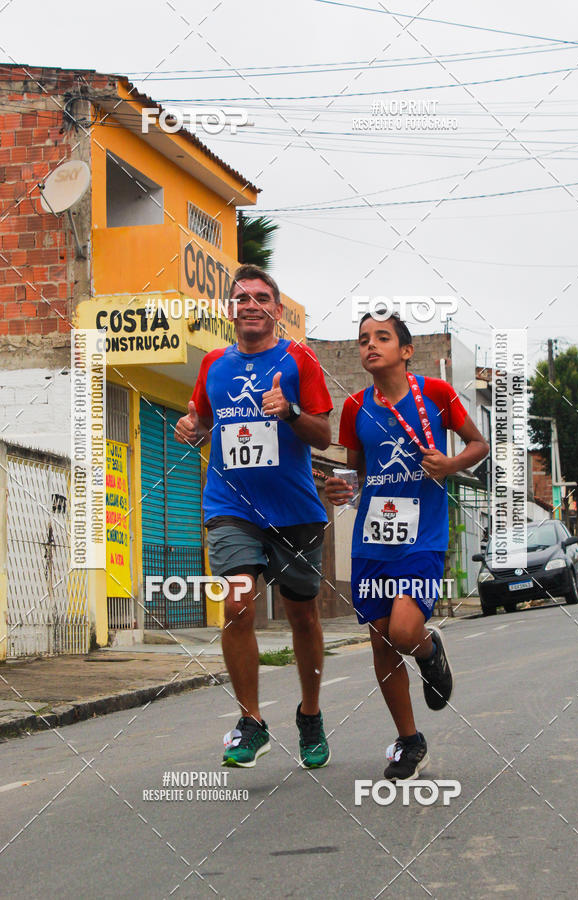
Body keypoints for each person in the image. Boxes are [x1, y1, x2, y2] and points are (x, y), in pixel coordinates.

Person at [175, 264, 333, 769]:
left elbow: (323, 436)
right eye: (241, 298)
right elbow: (201, 418)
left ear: (276, 310)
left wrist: (288, 412)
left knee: (302, 614)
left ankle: (310, 714)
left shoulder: (299, 360)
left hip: (294, 510)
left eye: (261, 297)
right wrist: (190, 426)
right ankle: (251, 721)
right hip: (230, 505)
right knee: (237, 607)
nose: (250, 305)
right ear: (231, 310)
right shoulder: (215, 366)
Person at [325, 313, 489, 781]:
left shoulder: (436, 395)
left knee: (402, 631)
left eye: (382, 338)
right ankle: (409, 741)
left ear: (405, 350)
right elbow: (353, 473)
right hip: (373, 538)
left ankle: (429, 648)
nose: (370, 346)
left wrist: (450, 463)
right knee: (380, 639)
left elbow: (478, 444)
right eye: (363, 340)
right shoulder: (355, 406)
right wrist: (340, 489)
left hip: (423, 534)